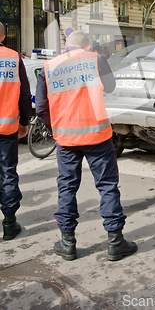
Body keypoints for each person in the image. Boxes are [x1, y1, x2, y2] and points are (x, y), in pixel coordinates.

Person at [35, 31, 137, 262]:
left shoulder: (49, 66)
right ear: (87, 45)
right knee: (107, 186)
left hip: (66, 139)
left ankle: (67, 243)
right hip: (97, 134)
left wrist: (54, 129)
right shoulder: (96, 59)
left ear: (66, 46)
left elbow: (41, 105)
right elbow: (110, 87)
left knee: (67, 188)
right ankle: (115, 242)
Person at [0, 22, 32, 241]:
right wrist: (24, 121)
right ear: (2, 36)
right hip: (6, 128)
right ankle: (10, 223)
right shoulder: (13, 58)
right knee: (7, 172)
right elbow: (24, 93)